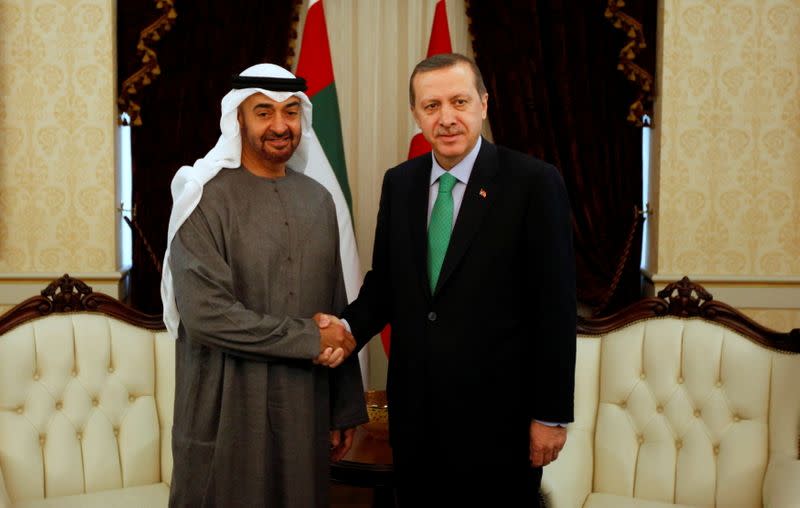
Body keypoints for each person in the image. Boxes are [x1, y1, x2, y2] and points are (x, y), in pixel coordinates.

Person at [339, 53, 576, 506]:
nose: (446, 118)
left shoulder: (534, 183)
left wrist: (551, 414)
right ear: (416, 114)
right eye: (431, 106)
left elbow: (556, 307)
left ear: (484, 105)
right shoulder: (400, 183)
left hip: (500, 423)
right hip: (416, 421)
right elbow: (385, 284)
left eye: (459, 101)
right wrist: (346, 331)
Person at [160, 63, 367, 508]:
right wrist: (312, 337)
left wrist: (344, 407)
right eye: (263, 112)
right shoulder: (201, 195)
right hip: (224, 408)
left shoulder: (319, 200)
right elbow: (206, 316)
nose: (280, 126)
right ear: (238, 118)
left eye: (291, 112)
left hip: (303, 409)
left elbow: (336, 304)